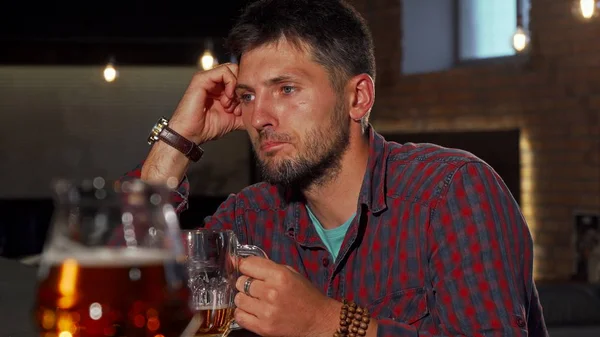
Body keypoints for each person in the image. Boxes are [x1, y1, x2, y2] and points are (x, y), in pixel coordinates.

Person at [126, 0, 548, 336]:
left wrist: (325, 323)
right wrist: (177, 139)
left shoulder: (451, 192)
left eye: (286, 89)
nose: (258, 119)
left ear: (358, 98)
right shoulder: (250, 218)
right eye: (249, 96)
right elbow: (127, 283)